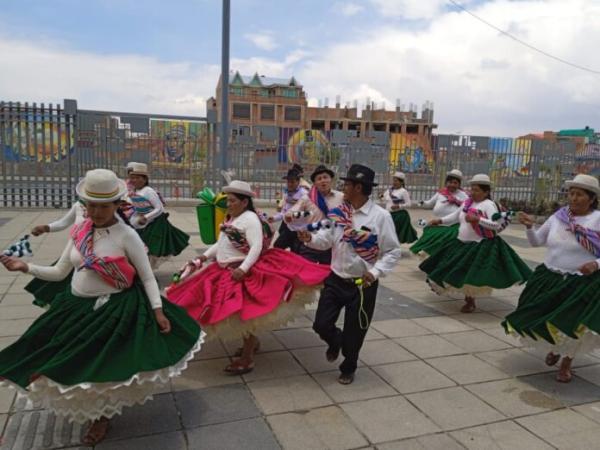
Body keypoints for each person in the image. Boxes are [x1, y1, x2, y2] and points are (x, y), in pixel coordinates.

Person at [0, 169, 203, 445]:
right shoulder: (79, 231)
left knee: (103, 367)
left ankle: (101, 416)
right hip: (74, 306)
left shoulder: (126, 235)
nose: (95, 212)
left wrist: (157, 310)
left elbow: (146, 277)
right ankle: (93, 409)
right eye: (90, 205)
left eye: (103, 205)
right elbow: (60, 272)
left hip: (112, 309)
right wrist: (26, 267)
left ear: (118, 205)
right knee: (52, 355)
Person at [166, 180, 330, 375]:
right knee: (239, 315)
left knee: (246, 315)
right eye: (228, 200)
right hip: (224, 269)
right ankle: (251, 345)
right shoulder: (231, 218)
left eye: (233, 200)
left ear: (244, 202)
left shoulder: (250, 218)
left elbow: (256, 247)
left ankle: (247, 358)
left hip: (243, 272)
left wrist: (243, 269)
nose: (229, 204)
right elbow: (222, 243)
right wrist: (204, 256)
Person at [298, 164, 402, 385]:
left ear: (358, 187)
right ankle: (336, 342)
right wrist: (310, 239)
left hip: (362, 285)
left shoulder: (380, 217)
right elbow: (326, 239)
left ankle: (348, 367)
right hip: (336, 278)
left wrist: (375, 272)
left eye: (347, 184)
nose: (342, 188)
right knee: (321, 324)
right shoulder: (339, 213)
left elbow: (393, 251)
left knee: (356, 331)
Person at [503, 174, 600, 383]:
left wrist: (596, 264)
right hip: (550, 276)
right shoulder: (559, 217)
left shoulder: (597, 220)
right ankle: (555, 348)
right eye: (571, 193)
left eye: (580, 194)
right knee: (541, 316)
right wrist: (530, 227)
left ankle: (566, 362)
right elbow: (537, 242)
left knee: (572, 325)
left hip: (580, 283)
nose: (573, 198)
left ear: (592, 198)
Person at [419, 174, 531, 313]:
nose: (473, 192)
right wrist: (440, 221)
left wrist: (478, 220)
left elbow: (495, 224)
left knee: (470, 273)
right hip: (461, 241)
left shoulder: (488, 205)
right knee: (448, 265)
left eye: (477, 190)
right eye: (472, 189)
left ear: (486, 192)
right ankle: (444, 285)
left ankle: (470, 300)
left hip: (479, 244)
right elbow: (456, 216)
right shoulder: (468, 203)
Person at [127, 162, 189, 268]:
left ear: (145, 179)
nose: (134, 180)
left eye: (137, 178)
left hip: (154, 224)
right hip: (141, 223)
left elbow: (159, 208)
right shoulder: (134, 191)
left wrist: (146, 217)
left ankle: (146, 271)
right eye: (132, 178)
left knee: (152, 248)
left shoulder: (148, 191)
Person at [286, 165, 344, 264]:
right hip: (310, 242)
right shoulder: (307, 198)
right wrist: (289, 216)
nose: (323, 181)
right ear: (315, 183)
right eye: (319, 179)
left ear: (331, 180)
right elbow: (291, 212)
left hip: (331, 246)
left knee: (328, 276)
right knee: (307, 276)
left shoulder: (341, 197)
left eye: (325, 177)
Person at [411, 169, 468, 257]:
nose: (452, 185)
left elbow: (463, 210)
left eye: (455, 183)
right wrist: (422, 203)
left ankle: (429, 251)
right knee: (429, 231)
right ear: (446, 183)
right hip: (438, 222)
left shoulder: (463, 195)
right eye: (450, 182)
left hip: (453, 224)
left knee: (444, 235)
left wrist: (456, 201)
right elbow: (429, 203)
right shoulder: (441, 193)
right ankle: (425, 250)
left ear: (459, 184)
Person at [271, 169, 308, 252]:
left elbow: (308, 212)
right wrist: (273, 218)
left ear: (298, 182)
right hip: (289, 228)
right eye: (288, 182)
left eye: (292, 182)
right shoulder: (287, 194)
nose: (289, 184)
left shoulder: (304, 194)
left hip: (300, 230)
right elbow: (284, 212)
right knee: (277, 247)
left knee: (296, 254)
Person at [382, 171, 418, 244]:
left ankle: (394, 248)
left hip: (399, 216)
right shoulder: (390, 190)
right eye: (393, 180)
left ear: (401, 182)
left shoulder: (403, 191)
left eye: (396, 181)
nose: (394, 182)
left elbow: (408, 204)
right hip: (388, 214)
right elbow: (384, 198)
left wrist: (399, 206)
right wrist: (381, 196)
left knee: (395, 233)